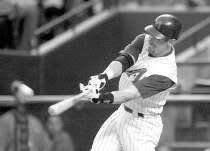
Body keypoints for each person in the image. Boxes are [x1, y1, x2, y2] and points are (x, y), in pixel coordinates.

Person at [81, 14, 182, 151]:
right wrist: (104, 76)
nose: (151, 40)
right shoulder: (144, 40)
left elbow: (129, 94)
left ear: (171, 41)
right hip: (122, 113)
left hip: (142, 125)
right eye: (152, 34)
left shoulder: (165, 73)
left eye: (157, 38)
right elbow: (125, 60)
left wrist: (101, 97)